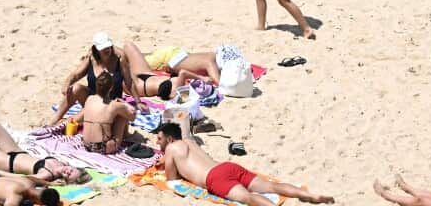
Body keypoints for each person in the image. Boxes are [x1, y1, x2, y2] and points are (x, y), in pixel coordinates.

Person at [154, 123, 333, 205]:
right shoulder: (189, 141)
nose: (157, 142)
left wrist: (164, 162)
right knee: (272, 186)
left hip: (214, 178)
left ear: (169, 139)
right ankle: (309, 195)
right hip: (226, 166)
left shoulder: (171, 148)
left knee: (247, 198)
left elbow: (172, 178)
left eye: (159, 139)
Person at [49, 32, 127, 126]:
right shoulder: (92, 58)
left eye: (108, 46)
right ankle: (56, 118)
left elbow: (130, 81)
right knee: (76, 88)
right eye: (103, 48)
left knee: (82, 115)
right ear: (96, 50)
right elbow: (76, 75)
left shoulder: (119, 59)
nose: (107, 50)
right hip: (91, 100)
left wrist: (138, 101)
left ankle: (62, 124)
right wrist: (66, 84)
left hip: (110, 103)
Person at [78, 71, 137, 153]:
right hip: (102, 147)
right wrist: (125, 104)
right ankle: (126, 135)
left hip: (86, 144)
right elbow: (132, 117)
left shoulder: (90, 98)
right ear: (111, 88)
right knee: (122, 116)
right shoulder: (114, 105)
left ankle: (124, 135)